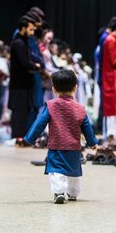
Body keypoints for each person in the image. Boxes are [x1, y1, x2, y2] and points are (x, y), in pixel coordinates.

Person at [24, 69, 97, 204]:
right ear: (75, 88)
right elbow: (86, 126)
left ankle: (58, 192)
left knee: (56, 170)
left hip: (56, 146)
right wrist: (92, 142)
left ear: (54, 89)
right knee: (74, 172)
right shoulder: (80, 108)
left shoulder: (51, 106)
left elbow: (39, 123)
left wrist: (30, 139)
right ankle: (73, 193)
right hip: (74, 147)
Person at [8, 17, 41, 144]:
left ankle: (23, 136)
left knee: (25, 110)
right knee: (19, 111)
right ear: (23, 28)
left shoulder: (23, 42)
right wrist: (36, 66)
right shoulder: (18, 43)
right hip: (19, 84)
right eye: (31, 29)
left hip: (25, 83)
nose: (32, 32)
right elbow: (24, 62)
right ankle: (17, 137)